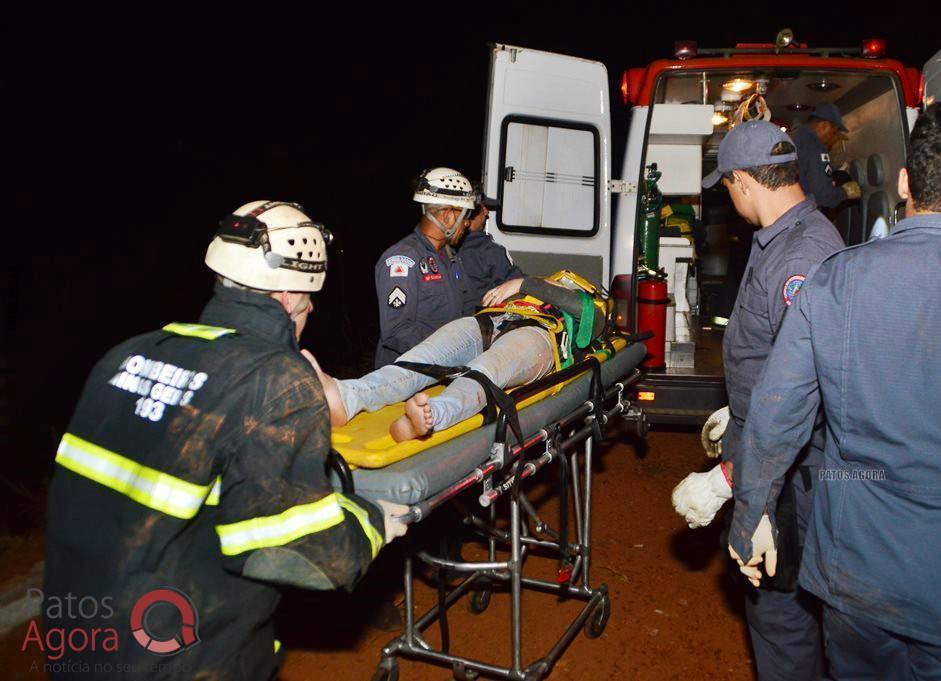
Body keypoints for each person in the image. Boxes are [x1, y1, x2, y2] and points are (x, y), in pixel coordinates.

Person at [44, 201, 408, 680]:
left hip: (77, 645)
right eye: (308, 298)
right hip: (184, 656)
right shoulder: (276, 380)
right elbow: (296, 555)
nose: (311, 309)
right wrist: (373, 521)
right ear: (285, 295)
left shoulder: (126, 356)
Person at [727, 100, 941, 680]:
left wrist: (750, 517)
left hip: (859, 577)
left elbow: (777, 412)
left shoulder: (838, 279)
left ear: (906, 182)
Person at [672, 120, 844, 681]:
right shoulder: (787, 240)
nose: (728, 196)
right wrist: (739, 409)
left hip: (789, 480)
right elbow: (778, 364)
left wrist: (729, 479)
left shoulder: (801, 258)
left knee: (784, 625)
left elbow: (804, 398)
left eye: (726, 185)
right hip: (775, 456)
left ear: (744, 181)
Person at [309, 271, 609, 442]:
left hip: (540, 338)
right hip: (492, 321)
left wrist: (526, 284)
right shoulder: (526, 293)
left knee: (484, 371)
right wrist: (520, 291)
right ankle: (348, 395)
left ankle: (430, 418)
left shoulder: (589, 302)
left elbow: (591, 321)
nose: (560, 282)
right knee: (421, 359)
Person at [375, 167, 475, 368]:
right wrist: (453, 348)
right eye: (465, 215)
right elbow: (397, 331)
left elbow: (468, 306)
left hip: (443, 370)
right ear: (447, 215)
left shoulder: (449, 257)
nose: (467, 224)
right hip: (407, 375)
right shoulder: (402, 260)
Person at [455, 194, 525, 315]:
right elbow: (517, 285)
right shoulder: (490, 251)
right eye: (483, 208)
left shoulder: (447, 247)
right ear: (470, 214)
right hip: (483, 320)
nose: (487, 213)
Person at [791, 102, 861, 210]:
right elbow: (823, 196)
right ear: (824, 126)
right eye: (834, 133)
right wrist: (845, 192)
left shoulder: (795, 138)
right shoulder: (816, 148)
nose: (832, 140)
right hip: (802, 215)